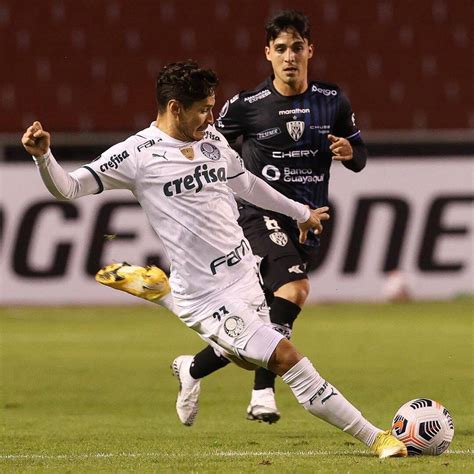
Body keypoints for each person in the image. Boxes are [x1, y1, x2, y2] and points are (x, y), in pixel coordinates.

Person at [22, 61, 405, 459]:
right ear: (174, 109)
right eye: (203, 109)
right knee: (284, 356)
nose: (211, 117)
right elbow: (68, 188)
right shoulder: (135, 155)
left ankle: (185, 355)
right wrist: (43, 157)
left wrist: (299, 212)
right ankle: (376, 437)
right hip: (204, 295)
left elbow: (246, 183)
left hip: (243, 274)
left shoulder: (212, 141)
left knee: (242, 358)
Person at [118, 9, 368, 424]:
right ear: (268, 53)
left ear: (311, 51)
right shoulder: (247, 106)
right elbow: (205, 146)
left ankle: (192, 368)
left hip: (303, 216)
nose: (290, 57)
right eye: (282, 49)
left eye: (298, 48)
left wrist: (349, 152)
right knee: (295, 289)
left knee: (258, 323)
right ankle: (263, 393)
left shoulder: (332, 100)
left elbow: (359, 155)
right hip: (255, 213)